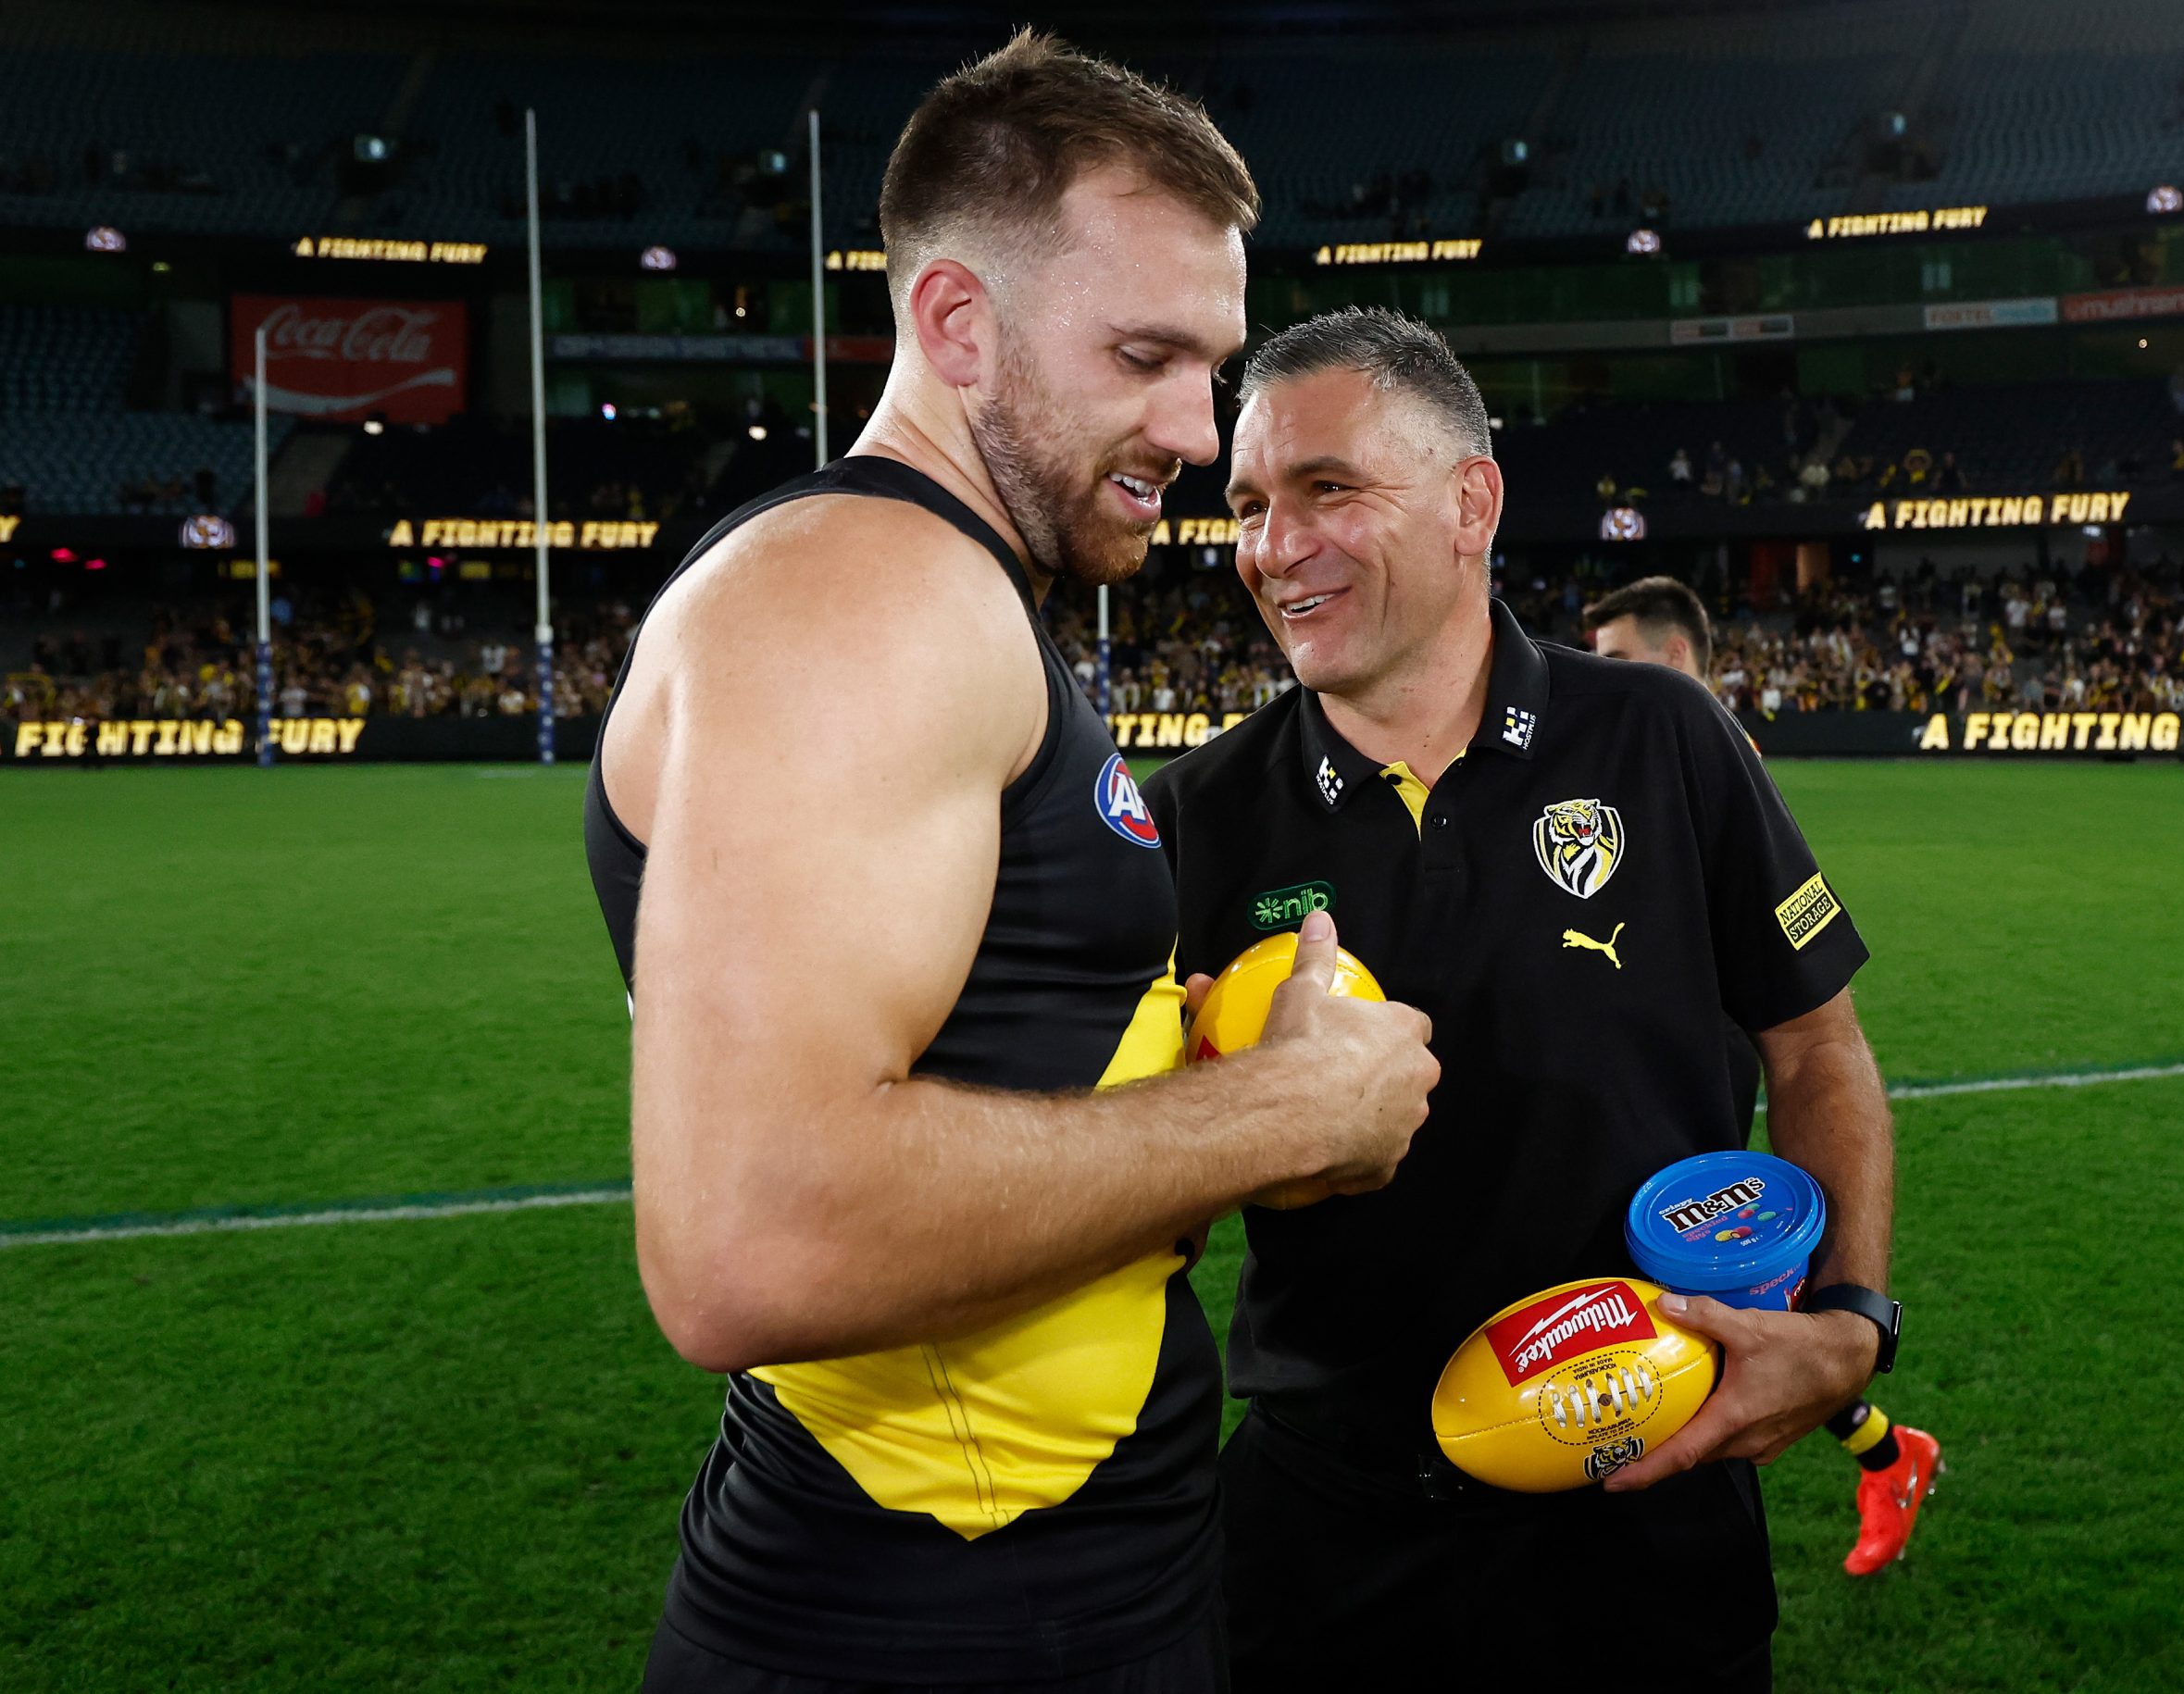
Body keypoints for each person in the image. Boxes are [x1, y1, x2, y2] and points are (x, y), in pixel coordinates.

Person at [584, 39, 1437, 1690]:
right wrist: (1283, 1113)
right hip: (932, 1617)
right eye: (1143, 356)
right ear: (957, 326)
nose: (1197, 432)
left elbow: (949, 1037)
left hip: (1020, 1582)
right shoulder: (866, 596)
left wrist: (1160, 1046)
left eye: (1211, 367)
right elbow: (748, 1242)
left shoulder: (937, 589)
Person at [1146, 308, 1898, 1690]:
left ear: (1470, 500)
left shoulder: (1664, 739)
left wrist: (1851, 1312)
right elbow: (1138, 1205)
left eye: (1328, 489)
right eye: (1248, 503)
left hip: (1647, 1510)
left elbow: (1816, 1047)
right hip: (1325, 1544)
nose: (1270, 546)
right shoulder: (1192, 819)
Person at [1583, 574, 1942, 1576]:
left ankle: (1879, 1457)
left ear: (1670, 661)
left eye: (1612, 661)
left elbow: (1793, 981)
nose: (1589, 683)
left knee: (1698, 1329)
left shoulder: (1694, 746)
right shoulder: (1645, 744)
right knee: (1726, 1325)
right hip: (1656, 1058)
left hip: (1685, 1078)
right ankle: (1889, 1453)